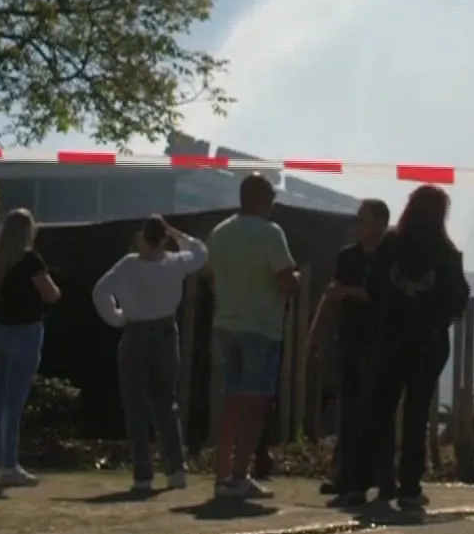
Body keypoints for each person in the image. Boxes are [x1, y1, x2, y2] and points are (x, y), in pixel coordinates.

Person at [364, 185, 470, 511]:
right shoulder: (446, 252)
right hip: (428, 343)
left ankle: (384, 480)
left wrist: (388, 315)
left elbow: (372, 286)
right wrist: (437, 321)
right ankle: (410, 485)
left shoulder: (390, 245)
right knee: (417, 412)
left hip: (392, 340)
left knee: (383, 409)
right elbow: (459, 298)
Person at [92, 214, 208, 494]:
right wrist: (178, 234)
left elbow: (100, 291)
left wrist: (117, 317)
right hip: (165, 331)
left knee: (135, 405)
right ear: (164, 239)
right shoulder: (175, 262)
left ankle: (143, 474)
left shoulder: (129, 265)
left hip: (135, 331)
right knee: (166, 402)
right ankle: (175, 470)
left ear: (142, 238)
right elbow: (201, 253)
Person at [207, 173, 300, 502]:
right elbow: (286, 281)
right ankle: (240, 476)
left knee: (231, 403)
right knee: (255, 404)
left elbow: (212, 275)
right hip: (260, 327)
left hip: (226, 325)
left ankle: (221, 475)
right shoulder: (270, 233)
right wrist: (297, 278)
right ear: (261, 200)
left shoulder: (220, 232)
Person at [310, 198, 393, 505]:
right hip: (350, 340)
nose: (358, 225)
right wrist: (316, 332)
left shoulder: (389, 258)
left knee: (373, 412)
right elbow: (331, 295)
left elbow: (380, 296)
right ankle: (347, 477)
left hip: (380, 343)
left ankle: (376, 478)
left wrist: (348, 292)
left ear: (381, 224)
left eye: (364, 220)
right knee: (349, 410)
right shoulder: (348, 256)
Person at [0, 208, 61, 488]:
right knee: (14, 402)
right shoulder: (30, 260)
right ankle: (10, 465)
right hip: (26, 331)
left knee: (0, 401)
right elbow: (50, 293)